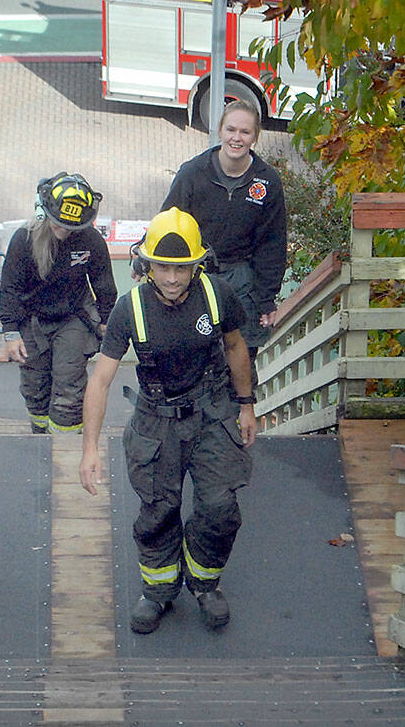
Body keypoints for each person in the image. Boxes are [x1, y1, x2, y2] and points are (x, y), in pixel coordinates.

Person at [80, 207, 258, 634]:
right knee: (159, 510)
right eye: (164, 267)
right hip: (156, 419)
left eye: (182, 269)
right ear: (145, 263)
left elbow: (235, 347)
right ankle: (159, 591)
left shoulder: (218, 296)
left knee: (220, 507)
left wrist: (247, 404)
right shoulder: (130, 309)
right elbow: (101, 380)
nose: (174, 279)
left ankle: (203, 581)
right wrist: (89, 450)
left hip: (212, 411)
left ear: (198, 263)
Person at [160, 100, 287, 377]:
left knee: (239, 363)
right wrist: (147, 265)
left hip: (243, 280)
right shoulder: (193, 173)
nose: (236, 138)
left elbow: (272, 245)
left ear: (255, 137)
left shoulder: (267, 182)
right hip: (196, 275)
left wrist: (267, 300)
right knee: (193, 358)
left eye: (245, 132)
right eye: (231, 129)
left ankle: (240, 415)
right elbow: (169, 222)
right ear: (220, 130)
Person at [0, 172, 117, 434]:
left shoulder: (90, 240)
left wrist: (107, 322)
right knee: (34, 385)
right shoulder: (24, 240)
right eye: (58, 223)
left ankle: (66, 442)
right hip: (32, 320)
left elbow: (104, 285)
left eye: (70, 226)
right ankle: (39, 435)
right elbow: (9, 289)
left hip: (73, 319)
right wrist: (11, 333)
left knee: (69, 389)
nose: (63, 230)